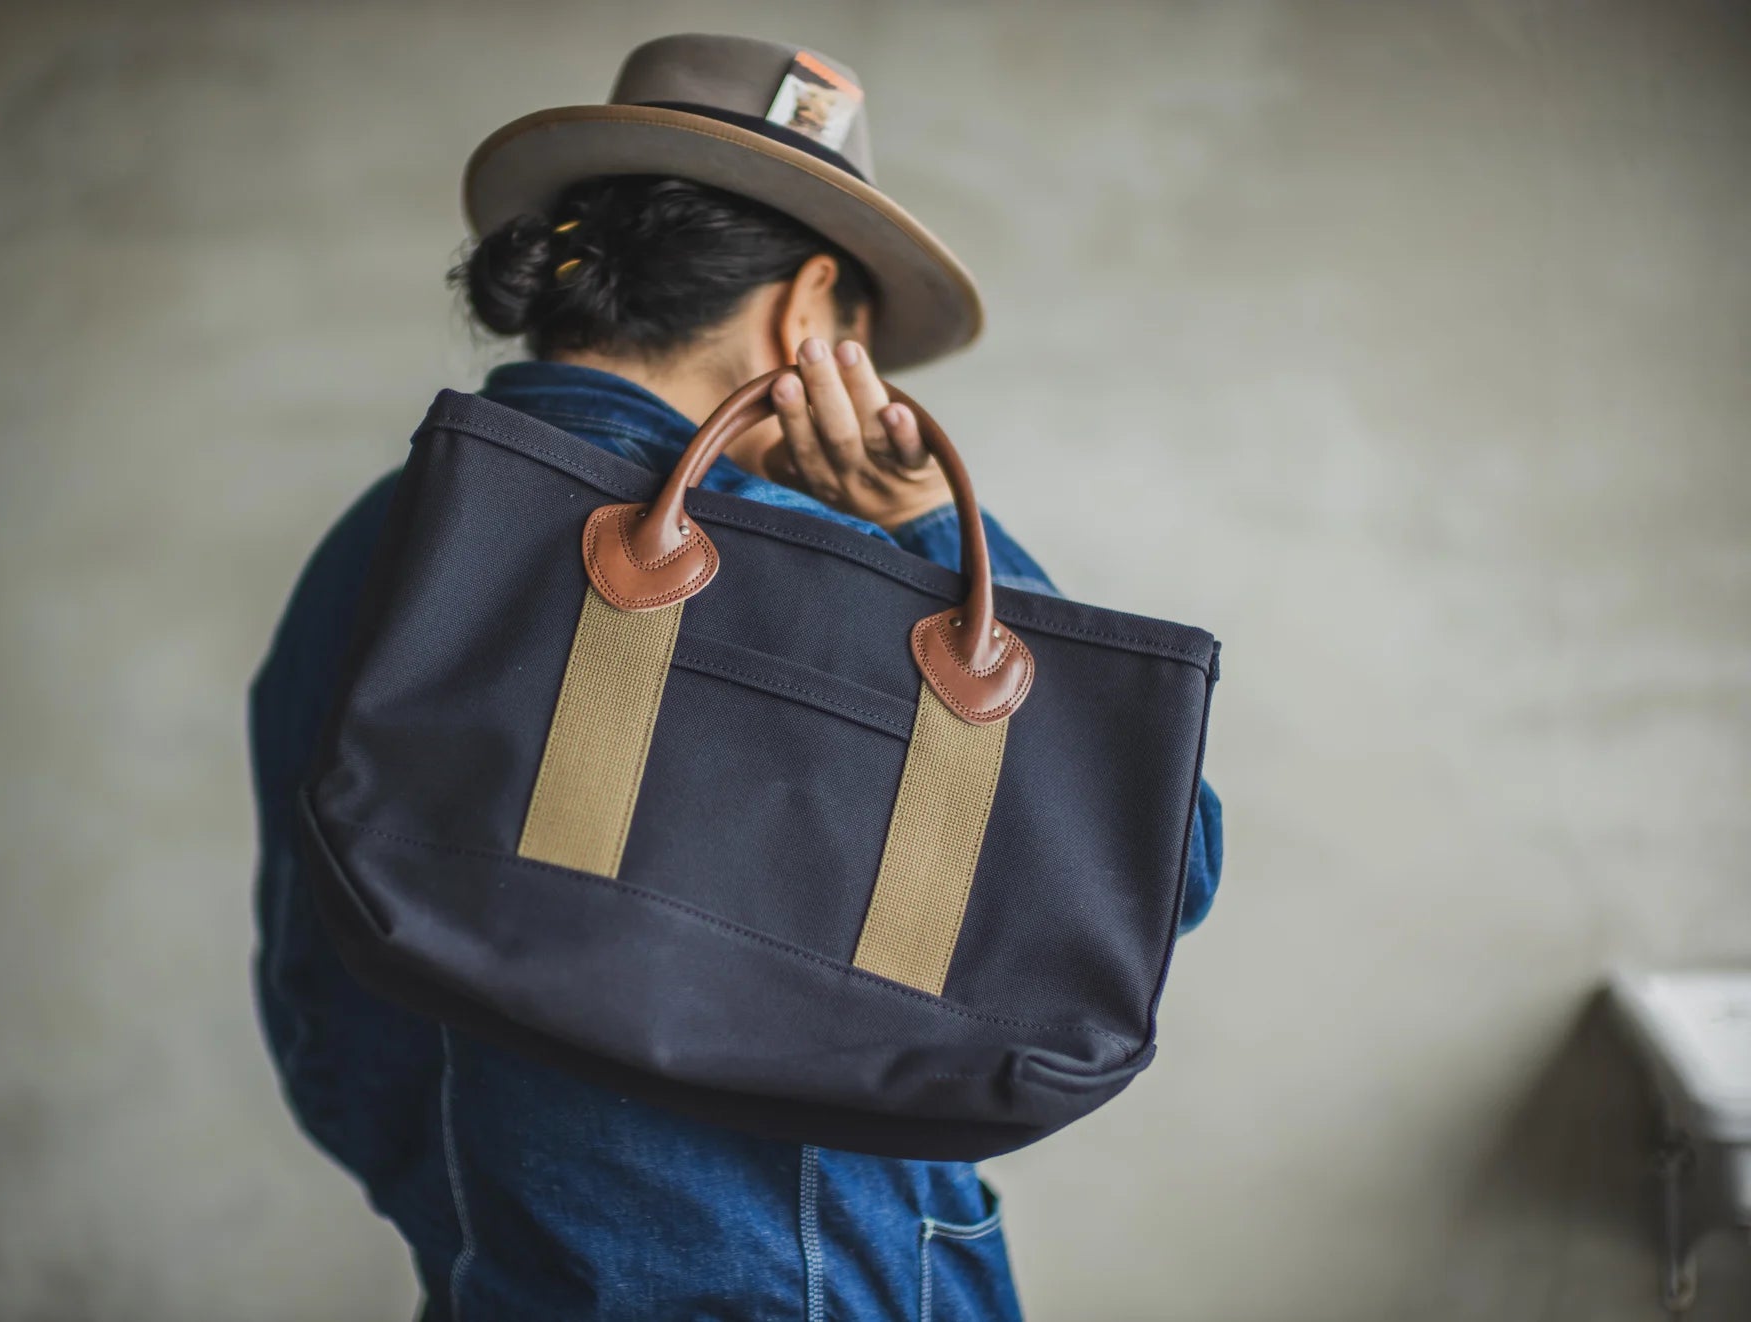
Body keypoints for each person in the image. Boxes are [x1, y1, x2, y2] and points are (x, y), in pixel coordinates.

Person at [250, 34, 1223, 1321]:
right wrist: (927, 528)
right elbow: (1150, 873)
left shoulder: (382, 537)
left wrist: (488, 1224)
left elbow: (326, 1013)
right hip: (800, 1281)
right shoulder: (802, 572)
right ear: (805, 311)